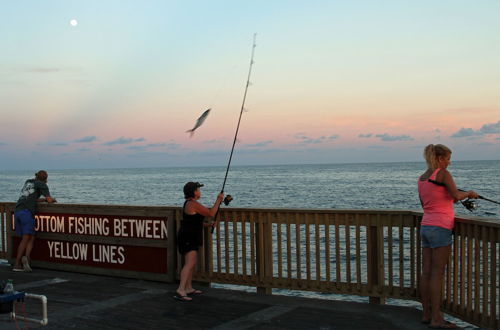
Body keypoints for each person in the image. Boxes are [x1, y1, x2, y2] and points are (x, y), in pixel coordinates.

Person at [418, 144, 478, 329]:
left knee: (427, 273)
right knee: (437, 274)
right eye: (448, 158)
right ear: (440, 159)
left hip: (426, 226)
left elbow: (428, 202)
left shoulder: (423, 178)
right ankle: (437, 319)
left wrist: (453, 197)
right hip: (441, 227)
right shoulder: (443, 174)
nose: (449, 162)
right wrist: (469, 193)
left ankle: (427, 314)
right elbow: (456, 195)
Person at [175, 182, 223, 301]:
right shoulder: (193, 204)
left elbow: (194, 222)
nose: (200, 192)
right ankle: (181, 289)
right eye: (198, 190)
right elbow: (211, 213)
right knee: (189, 264)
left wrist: (208, 225)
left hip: (189, 236)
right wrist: (218, 200)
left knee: (191, 263)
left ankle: (188, 288)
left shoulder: (190, 204)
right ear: (194, 192)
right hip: (188, 237)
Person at [13, 170, 57, 272]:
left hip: (17, 211)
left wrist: (43, 199)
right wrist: (52, 199)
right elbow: (50, 200)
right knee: (25, 239)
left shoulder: (28, 182)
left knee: (31, 236)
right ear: (46, 179)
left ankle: (27, 259)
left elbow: (30, 198)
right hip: (26, 213)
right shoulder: (42, 185)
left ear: (36, 176)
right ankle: (17, 264)